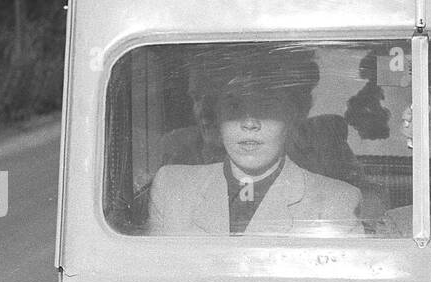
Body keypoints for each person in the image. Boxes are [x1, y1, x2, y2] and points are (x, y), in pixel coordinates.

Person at [147, 53, 363, 236]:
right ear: (218, 115)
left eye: (266, 106)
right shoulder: (171, 187)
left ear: (293, 116)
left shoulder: (337, 201)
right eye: (233, 105)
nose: (249, 123)